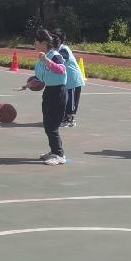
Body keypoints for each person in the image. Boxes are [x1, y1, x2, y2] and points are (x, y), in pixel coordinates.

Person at [20, 29, 68, 165]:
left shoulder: (54, 55)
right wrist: (28, 85)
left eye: (36, 41)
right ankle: (54, 151)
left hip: (58, 92)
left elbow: (62, 70)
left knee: (52, 125)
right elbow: (40, 78)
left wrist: (46, 60)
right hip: (49, 92)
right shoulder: (42, 57)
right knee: (47, 124)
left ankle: (59, 155)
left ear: (44, 43)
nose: (34, 44)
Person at [53, 29, 85, 127]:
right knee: (65, 100)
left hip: (73, 80)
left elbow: (60, 60)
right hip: (66, 80)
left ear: (59, 40)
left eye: (53, 37)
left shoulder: (64, 49)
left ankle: (70, 119)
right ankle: (64, 117)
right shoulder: (55, 50)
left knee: (71, 100)